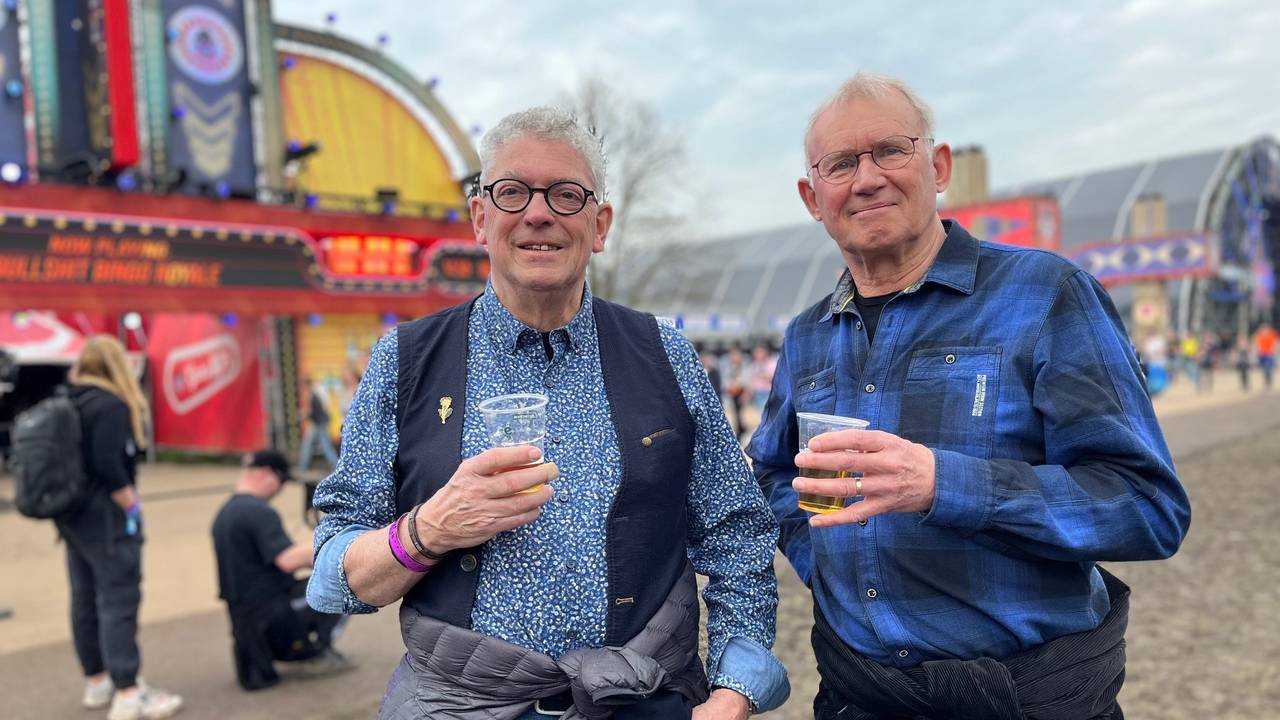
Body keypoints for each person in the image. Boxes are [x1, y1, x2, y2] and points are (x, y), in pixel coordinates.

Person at [307, 106, 787, 719]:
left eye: (566, 194)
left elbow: (736, 531)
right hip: (464, 704)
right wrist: (427, 531)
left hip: (641, 699)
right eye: (512, 192)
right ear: (481, 218)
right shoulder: (405, 361)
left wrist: (734, 691)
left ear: (600, 224)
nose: (538, 213)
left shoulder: (663, 352)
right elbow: (331, 578)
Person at [748, 72, 1190, 719]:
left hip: (1024, 698)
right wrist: (830, 557)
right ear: (813, 197)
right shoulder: (809, 333)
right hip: (861, 697)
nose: (867, 178)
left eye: (890, 151)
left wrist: (943, 485)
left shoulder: (1045, 293)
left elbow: (1147, 507)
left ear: (940, 164)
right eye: (841, 163)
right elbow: (773, 473)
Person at [58, 336, 183, 720]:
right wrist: (134, 506)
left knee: (84, 599)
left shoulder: (68, 400)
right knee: (118, 601)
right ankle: (128, 692)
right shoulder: (110, 405)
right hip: (108, 519)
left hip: (72, 516)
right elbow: (110, 467)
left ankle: (98, 681)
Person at [211, 450, 352, 691]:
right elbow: (287, 560)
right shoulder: (257, 511)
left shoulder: (225, 514)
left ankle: (298, 649)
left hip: (246, 619)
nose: (280, 489)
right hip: (274, 613)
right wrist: (337, 546)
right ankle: (315, 654)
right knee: (344, 584)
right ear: (267, 474)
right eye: (281, 482)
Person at [295, 377, 338, 473]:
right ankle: (303, 466)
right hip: (318, 423)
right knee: (321, 445)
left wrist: (301, 415)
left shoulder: (311, 395)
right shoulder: (315, 394)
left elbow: (309, 411)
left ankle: (302, 467)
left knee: (315, 445)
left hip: (318, 424)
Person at [1253, 322, 1276, 390]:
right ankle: (1266, 382)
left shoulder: (1272, 335)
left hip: (1269, 354)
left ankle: (1269, 382)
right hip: (1262, 355)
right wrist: (1258, 350)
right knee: (1264, 369)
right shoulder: (1259, 335)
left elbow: (1274, 344)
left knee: (1268, 368)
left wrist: (1272, 350)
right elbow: (1257, 344)